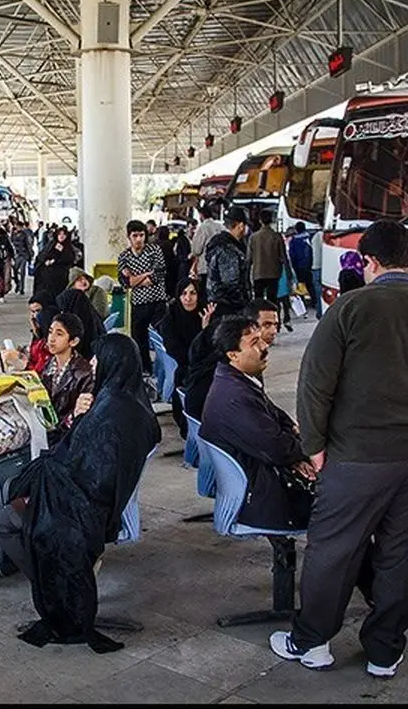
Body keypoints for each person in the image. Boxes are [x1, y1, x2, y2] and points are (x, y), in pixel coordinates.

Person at [272, 219, 408, 678]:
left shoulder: (350, 308)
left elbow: (314, 385)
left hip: (356, 457)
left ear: (369, 262)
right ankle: (385, 651)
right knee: (402, 553)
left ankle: (312, 643)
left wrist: (315, 447)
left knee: (334, 549)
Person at [0, 334, 161, 653]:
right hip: (97, 494)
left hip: (89, 504)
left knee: (5, 522)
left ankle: (59, 589)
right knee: (22, 493)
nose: (93, 363)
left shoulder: (115, 413)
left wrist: (58, 457)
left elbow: (91, 471)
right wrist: (81, 416)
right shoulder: (126, 401)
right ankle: (59, 584)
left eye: (98, 358)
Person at [199, 317, 315, 531]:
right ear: (232, 355)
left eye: (262, 339)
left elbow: (277, 418)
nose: (265, 347)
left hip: (263, 470)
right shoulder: (235, 397)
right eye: (254, 343)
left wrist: (296, 449)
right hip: (264, 494)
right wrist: (306, 451)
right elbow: (276, 447)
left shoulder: (237, 380)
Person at [158, 278, 212, 436]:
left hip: (206, 369)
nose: (188, 298)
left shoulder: (207, 314)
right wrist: (201, 337)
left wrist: (205, 328)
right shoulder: (171, 318)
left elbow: (215, 350)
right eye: (183, 294)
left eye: (193, 293)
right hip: (186, 372)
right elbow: (178, 352)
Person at [117, 219, 169, 375]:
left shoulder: (155, 250)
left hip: (158, 301)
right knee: (139, 339)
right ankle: (145, 370)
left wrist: (135, 278)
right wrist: (146, 274)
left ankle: (163, 371)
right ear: (129, 237)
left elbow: (158, 275)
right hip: (138, 303)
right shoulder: (124, 256)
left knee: (161, 338)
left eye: (141, 235)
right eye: (135, 236)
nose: (139, 239)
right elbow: (126, 282)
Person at [40, 313, 95, 442]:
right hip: (48, 429)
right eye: (50, 332)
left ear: (74, 341)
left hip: (67, 436)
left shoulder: (84, 373)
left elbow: (82, 415)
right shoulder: (49, 363)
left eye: (59, 334)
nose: (51, 339)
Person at [205, 207, 253, 318]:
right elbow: (231, 283)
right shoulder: (228, 249)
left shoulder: (219, 243)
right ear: (240, 226)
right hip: (229, 308)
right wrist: (243, 305)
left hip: (219, 304)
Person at [56, 267, 105, 359]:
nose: (83, 282)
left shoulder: (96, 292)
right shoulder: (68, 297)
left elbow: (100, 314)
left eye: (84, 278)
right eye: (79, 280)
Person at [250, 210, 289, 302]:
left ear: (260, 221)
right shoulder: (277, 236)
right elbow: (284, 257)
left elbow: (249, 259)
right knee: (272, 300)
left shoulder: (253, 237)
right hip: (273, 273)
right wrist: (289, 273)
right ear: (271, 220)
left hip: (258, 273)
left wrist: (246, 276)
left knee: (258, 300)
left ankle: (260, 316)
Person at [289, 223, 318, 310]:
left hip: (299, 266)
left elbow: (292, 255)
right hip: (310, 264)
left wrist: (294, 266)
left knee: (301, 284)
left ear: (296, 230)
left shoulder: (294, 241)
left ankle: (302, 303)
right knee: (310, 284)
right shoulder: (310, 237)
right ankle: (314, 301)